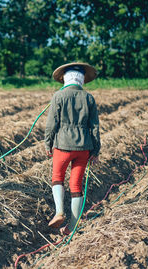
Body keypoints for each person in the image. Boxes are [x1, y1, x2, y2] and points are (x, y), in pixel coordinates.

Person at [45, 62, 100, 235]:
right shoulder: (89, 98)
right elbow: (95, 127)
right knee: (76, 184)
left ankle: (60, 211)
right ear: (81, 80)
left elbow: (51, 124)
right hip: (83, 148)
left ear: (66, 79)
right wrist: (95, 150)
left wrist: (48, 143)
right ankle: (73, 226)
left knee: (57, 178)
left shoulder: (58, 96)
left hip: (62, 146)